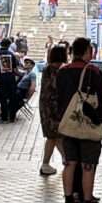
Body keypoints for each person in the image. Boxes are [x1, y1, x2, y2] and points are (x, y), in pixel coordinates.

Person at [54, 37, 102, 203]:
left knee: (69, 163)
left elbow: (57, 97)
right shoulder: (94, 72)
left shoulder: (62, 72)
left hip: (68, 125)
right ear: (87, 51)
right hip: (88, 127)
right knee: (88, 166)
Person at [37, 43, 68, 177]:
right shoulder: (59, 71)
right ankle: (47, 164)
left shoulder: (47, 69)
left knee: (54, 136)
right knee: (54, 136)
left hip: (45, 107)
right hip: (54, 108)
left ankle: (63, 160)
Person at [0, 37, 22, 122]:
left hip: (1, 79)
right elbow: (15, 69)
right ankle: (12, 117)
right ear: (9, 45)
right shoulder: (11, 54)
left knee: (3, 98)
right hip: (11, 79)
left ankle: (4, 117)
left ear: (1, 44)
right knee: (12, 98)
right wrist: (20, 75)